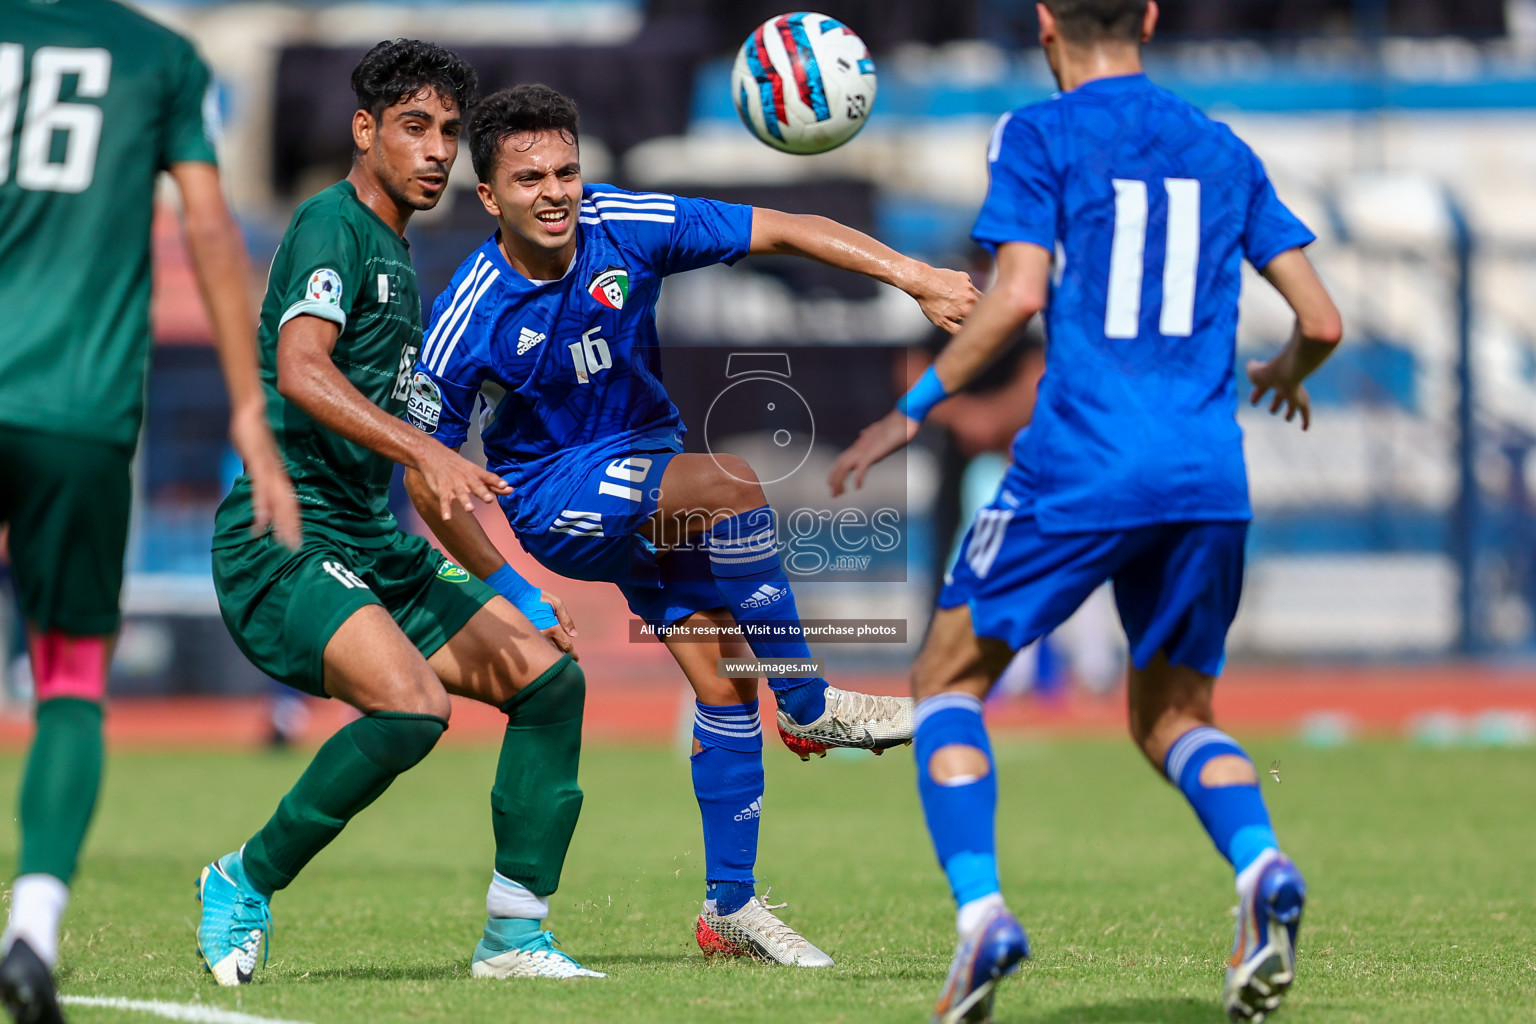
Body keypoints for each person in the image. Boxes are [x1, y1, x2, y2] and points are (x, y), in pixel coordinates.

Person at [829, 1, 1344, 1020]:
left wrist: (915, 407)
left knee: (946, 678)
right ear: (1149, 16)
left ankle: (982, 913)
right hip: (1206, 475)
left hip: (1081, 464)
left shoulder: (1039, 132)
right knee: (1174, 716)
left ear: (1046, 21)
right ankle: (1259, 867)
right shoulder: (1220, 143)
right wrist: (1287, 369)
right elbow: (1322, 318)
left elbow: (1016, 294)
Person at [403, 84, 979, 967]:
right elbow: (429, 479)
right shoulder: (470, 313)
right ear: (489, 198)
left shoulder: (624, 223)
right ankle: (815, 705)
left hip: (645, 469)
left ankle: (731, 910)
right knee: (734, 482)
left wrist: (917, 277)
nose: (554, 192)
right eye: (528, 179)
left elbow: (782, 227)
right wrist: (514, 584)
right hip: (556, 501)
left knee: (722, 684)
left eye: (565, 170)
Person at [194, 40, 602, 988]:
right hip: (284, 542)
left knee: (550, 684)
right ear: (364, 130)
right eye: (414, 128)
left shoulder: (404, 263)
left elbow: (425, 475)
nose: (436, 151)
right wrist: (423, 446)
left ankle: (514, 936)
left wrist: (514, 586)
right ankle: (242, 880)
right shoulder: (328, 225)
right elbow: (300, 371)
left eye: (451, 134)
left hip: (370, 542)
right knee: (411, 708)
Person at [0, 0, 301, 1017]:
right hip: (77, 409)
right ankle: (33, 927)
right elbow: (209, 228)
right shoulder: (158, 56)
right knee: (71, 673)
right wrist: (252, 409)